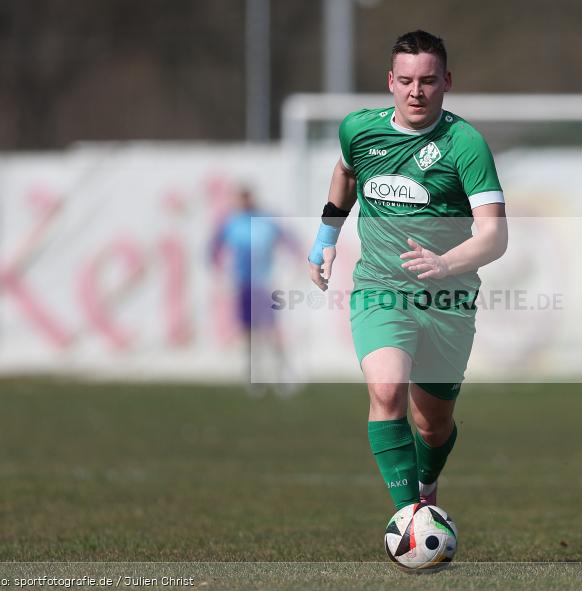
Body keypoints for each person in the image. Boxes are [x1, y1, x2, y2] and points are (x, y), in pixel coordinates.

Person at [307, 30, 508, 511]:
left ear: (447, 82)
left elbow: (495, 236)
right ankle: (411, 518)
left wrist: (445, 263)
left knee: (431, 426)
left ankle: (426, 484)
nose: (416, 91)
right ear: (390, 82)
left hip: (448, 299)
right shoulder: (359, 129)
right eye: (406, 81)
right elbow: (346, 172)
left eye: (428, 81)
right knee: (386, 389)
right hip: (380, 287)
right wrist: (326, 237)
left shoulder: (466, 144)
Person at [211, 185, 297, 393]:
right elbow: (214, 248)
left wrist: (295, 263)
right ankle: (253, 377)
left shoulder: (265, 220)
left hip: (263, 284)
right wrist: (220, 273)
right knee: (249, 334)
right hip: (243, 284)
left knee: (271, 331)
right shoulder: (231, 223)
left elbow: (288, 240)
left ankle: (282, 374)